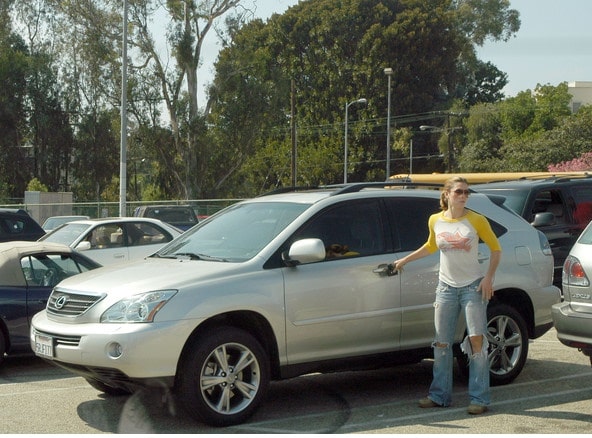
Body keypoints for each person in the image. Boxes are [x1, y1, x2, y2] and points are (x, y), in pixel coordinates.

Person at [392, 176, 501, 415]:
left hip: (473, 286)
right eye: (459, 192)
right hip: (446, 287)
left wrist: (488, 278)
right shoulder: (435, 220)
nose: (463, 196)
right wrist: (405, 260)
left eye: (466, 192)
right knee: (441, 342)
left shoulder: (476, 220)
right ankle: (439, 395)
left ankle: (479, 398)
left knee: (476, 341)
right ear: (447, 194)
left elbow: (496, 248)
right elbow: (431, 245)